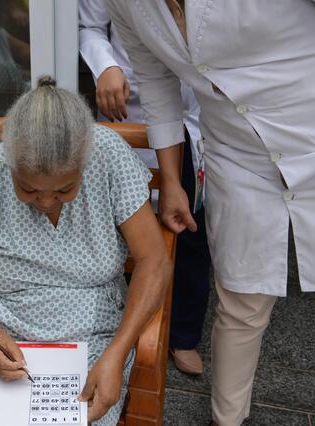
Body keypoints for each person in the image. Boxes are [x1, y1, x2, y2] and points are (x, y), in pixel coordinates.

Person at [103, 1, 315, 425]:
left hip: (306, 118)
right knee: (242, 295)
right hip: (234, 151)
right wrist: (171, 181)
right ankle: (227, 420)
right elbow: (156, 79)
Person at [0, 76, 173, 425]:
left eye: (64, 189)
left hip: (95, 338)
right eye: (28, 189)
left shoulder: (107, 157)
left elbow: (154, 261)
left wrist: (117, 354)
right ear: (10, 163)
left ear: (84, 162)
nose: (46, 202)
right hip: (0, 341)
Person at [78, 0, 211, 376]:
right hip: (131, 105)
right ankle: (116, 325)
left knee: (189, 232)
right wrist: (106, 66)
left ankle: (183, 334)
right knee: (120, 225)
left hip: (197, 114)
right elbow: (89, 26)